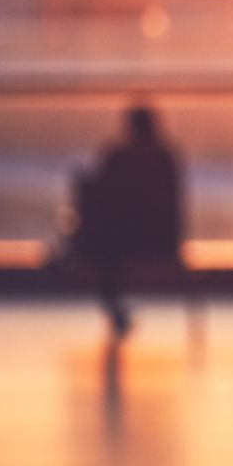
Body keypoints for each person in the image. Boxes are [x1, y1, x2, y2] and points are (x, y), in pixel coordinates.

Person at [82, 105, 183, 336]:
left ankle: (113, 306)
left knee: (107, 245)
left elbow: (101, 192)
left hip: (126, 239)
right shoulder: (165, 158)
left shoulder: (118, 157)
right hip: (155, 238)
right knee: (110, 243)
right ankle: (115, 308)